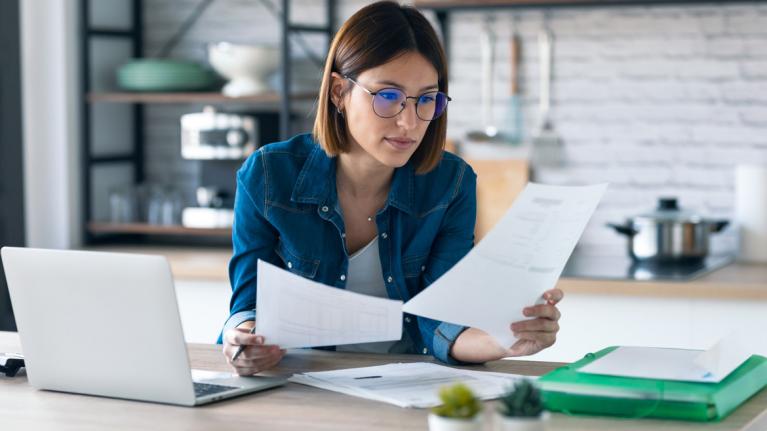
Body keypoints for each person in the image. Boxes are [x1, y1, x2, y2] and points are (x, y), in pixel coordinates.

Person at [220, 1, 562, 376]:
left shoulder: (452, 183)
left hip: (405, 381)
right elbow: (248, 306)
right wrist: (245, 341)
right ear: (338, 92)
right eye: (388, 96)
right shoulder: (269, 174)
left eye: (427, 99)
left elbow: (441, 322)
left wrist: (505, 339)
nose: (409, 122)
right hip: (301, 380)